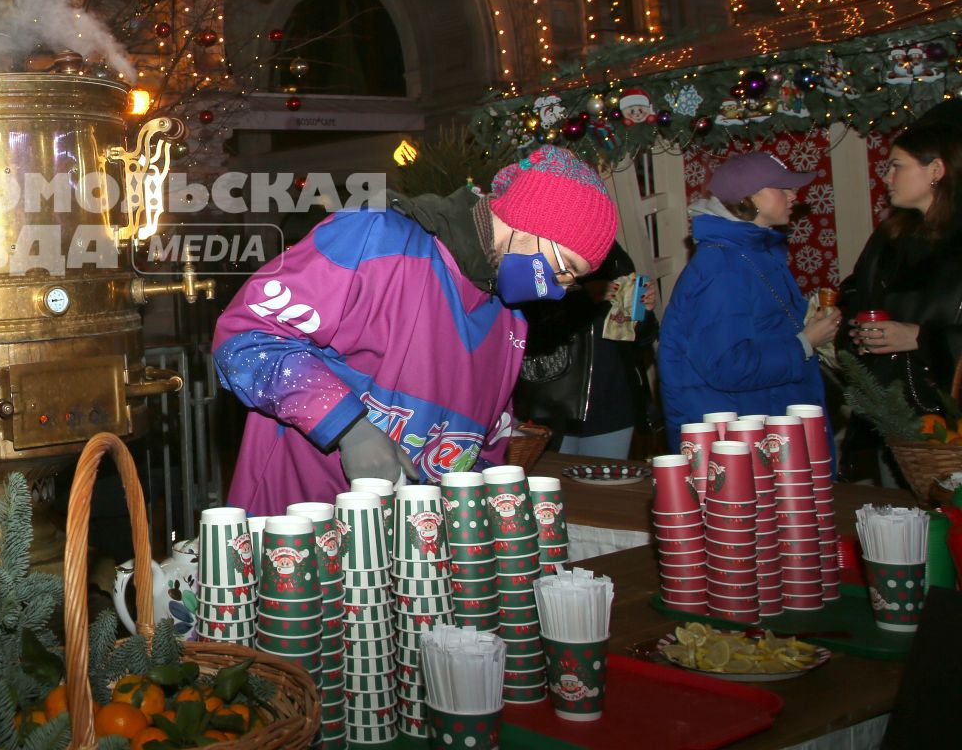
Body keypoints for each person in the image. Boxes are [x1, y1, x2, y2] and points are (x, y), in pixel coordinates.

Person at [214, 145, 617, 511]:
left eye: (570, 281)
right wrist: (348, 427)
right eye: (562, 269)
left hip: (404, 556)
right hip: (296, 529)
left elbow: (485, 442)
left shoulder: (509, 321)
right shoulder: (377, 240)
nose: (558, 291)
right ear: (527, 221)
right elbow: (247, 336)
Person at [657, 152, 840, 438]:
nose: (793, 196)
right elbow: (727, 365)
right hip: (738, 440)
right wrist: (806, 342)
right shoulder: (722, 266)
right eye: (783, 188)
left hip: (762, 423)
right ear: (749, 197)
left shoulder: (756, 253)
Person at [840, 120, 962, 476]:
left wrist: (919, 337)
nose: (887, 177)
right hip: (892, 417)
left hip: (948, 425)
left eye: (897, 166)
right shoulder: (890, 238)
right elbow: (855, 296)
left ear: (936, 170)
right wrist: (859, 334)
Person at [515, 243, 659, 460]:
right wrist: (583, 298)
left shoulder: (613, 253)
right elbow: (521, 320)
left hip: (612, 401)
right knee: (555, 486)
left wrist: (643, 314)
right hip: (551, 401)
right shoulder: (532, 245)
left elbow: (638, 338)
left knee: (605, 490)